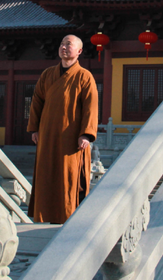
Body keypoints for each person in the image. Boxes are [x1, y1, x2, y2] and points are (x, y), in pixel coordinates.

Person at [27, 34, 99, 224]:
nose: (64, 47)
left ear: (79, 51)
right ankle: (43, 217)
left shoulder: (85, 77)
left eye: (68, 44)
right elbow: (36, 101)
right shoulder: (47, 74)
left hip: (71, 139)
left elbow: (91, 107)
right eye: (61, 44)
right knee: (46, 175)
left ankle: (68, 218)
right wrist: (34, 128)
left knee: (68, 178)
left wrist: (86, 134)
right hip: (48, 135)